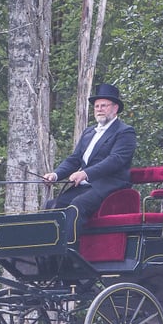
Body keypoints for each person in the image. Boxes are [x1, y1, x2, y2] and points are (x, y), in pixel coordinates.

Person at [42, 83, 137, 225]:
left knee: (77, 206)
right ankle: (49, 246)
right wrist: (55, 175)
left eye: (104, 106)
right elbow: (74, 159)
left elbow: (115, 160)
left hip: (110, 185)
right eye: (97, 106)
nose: (99, 109)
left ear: (115, 108)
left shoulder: (125, 131)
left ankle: (70, 247)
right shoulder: (88, 132)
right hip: (86, 186)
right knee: (52, 206)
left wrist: (85, 173)